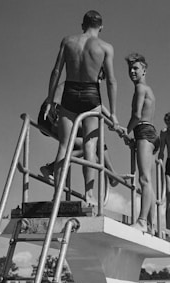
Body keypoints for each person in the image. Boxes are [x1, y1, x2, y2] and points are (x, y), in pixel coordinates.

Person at [45, 10, 119, 206]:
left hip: (69, 91)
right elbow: (111, 81)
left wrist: (50, 100)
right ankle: (89, 195)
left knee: (64, 146)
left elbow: (56, 71)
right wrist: (113, 113)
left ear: (82, 25)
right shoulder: (105, 47)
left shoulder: (68, 41)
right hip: (91, 94)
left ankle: (56, 195)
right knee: (90, 146)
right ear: (101, 27)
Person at [117, 53, 157, 232]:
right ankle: (152, 224)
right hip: (147, 132)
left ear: (144, 70)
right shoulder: (147, 89)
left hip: (144, 131)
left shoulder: (141, 88)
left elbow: (137, 115)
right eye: (130, 69)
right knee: (146, 178)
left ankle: (142, 221)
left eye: (136, 68)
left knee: (144, 179)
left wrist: (126, 130)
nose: (132, 71)